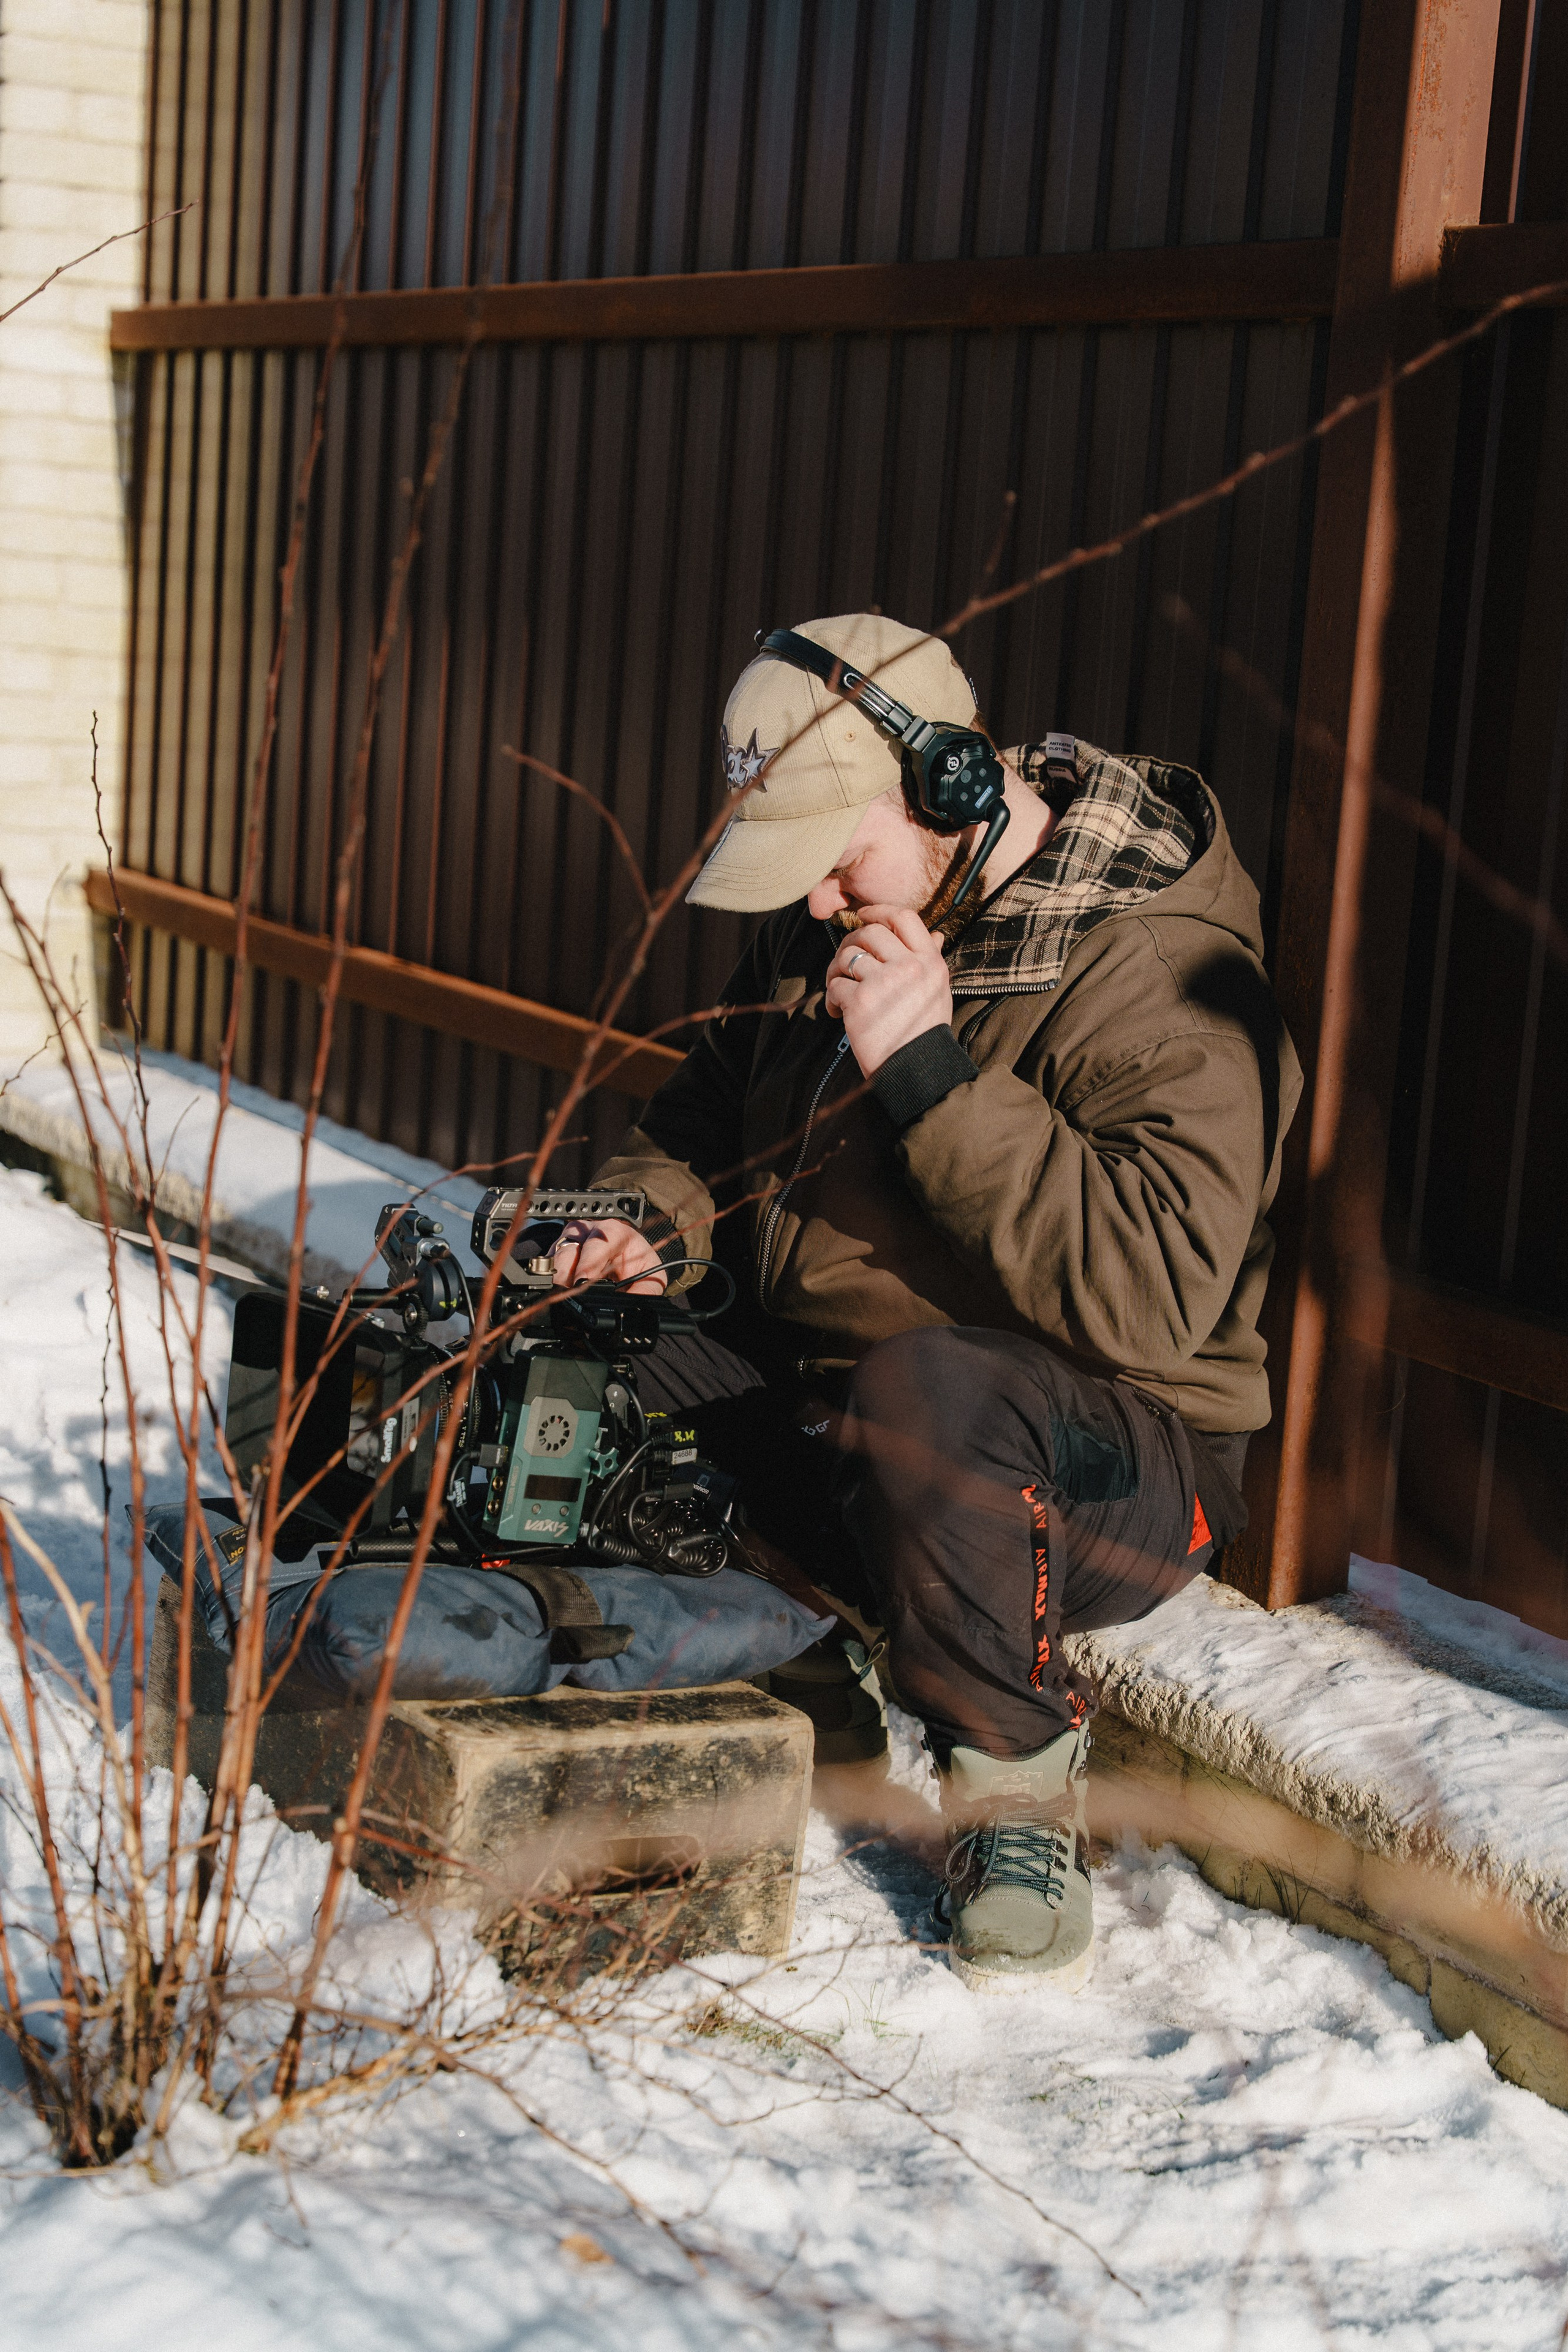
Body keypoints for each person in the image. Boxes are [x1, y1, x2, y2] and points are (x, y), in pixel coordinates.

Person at [554, 612, 1301, 1990]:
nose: (821, 905)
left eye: (835, 863)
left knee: (933, 1394)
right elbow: (700, 1108)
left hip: (1098, 1462)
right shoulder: (836, 917)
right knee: (580, 1352)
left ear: (948, 780)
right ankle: (795, 1669)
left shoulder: (1158, 972)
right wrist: (638, 1224)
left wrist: (933, 1075)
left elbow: (1147, 1297)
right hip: (844, 1415)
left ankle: (1012, 1794)